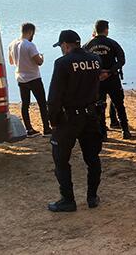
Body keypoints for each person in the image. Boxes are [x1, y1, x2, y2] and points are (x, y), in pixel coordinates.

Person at [46, 30, 104, 212]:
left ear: (65, 45)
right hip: (91, 115)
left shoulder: (62, 63)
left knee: (61, 160)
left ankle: (68, 199)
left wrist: (53, 120)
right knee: (93, 158)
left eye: (61, 46)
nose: (61, 50)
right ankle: (92, 197)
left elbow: (54, 96)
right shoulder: (96, 60)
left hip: (69, 118)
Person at [83, 20, 132, 140]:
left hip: (96, 80)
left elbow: (83, 62)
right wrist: (110, 71)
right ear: (106, 30)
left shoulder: (88, 45)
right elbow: (122, 60)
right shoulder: (112, 43)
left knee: (99, 106)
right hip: (112, 78)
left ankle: (103, 134)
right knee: (119, 105)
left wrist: (97, 73)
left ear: (95, 30)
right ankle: (125, 131)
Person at [7, 23, 51, 137]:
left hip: (21, 78)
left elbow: (11, 62)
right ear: (30, 32)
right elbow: (39, 62)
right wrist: (42, 57)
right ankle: (46, 129)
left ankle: (29, 129)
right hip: (33, 77)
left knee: (25, 104)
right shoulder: (30, 45)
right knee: (42, 103)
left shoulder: (12, 44)